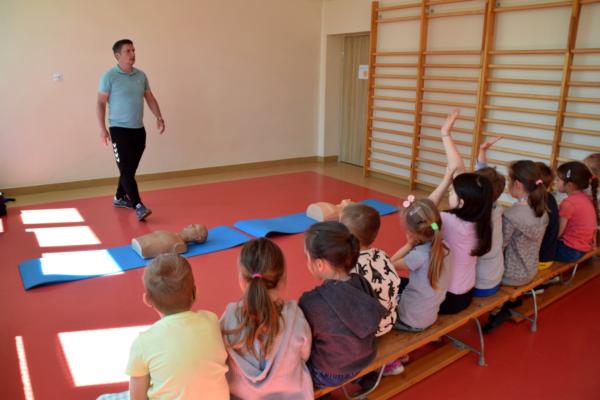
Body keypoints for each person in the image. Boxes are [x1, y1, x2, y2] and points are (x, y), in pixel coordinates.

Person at [126, 254, 229, 399]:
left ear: (147, 299)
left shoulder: (143, 343)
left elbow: (137, 397)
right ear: (195, 292)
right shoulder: (211, 320)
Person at [220, 238, 313, 399]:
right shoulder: (295, 317)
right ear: (282, 280)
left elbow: (221, 359)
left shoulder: (229, 317)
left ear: (242, 280)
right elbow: (305, 354)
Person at [299, 221, 386, 389]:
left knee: (297, 362)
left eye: (307, 257)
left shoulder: (311, 302)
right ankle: (361, 378)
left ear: (319, 264)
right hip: (365, 358)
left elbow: (305, 343)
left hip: (330, 373)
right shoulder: (362, 282)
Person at [427, 110, 494, 314]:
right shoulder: (483, 215)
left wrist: (445, 181)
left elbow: (424, 210)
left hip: (448, 299)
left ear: (462, 201)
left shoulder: (446, 220)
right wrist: (446, 134)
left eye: (451, 191)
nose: (450, 191)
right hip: (466, 294)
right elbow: (460, 173)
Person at [97, 39, 165, 221]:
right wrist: (103, 129)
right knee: (127, 170)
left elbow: (150, 98)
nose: (132, 54)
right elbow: (100, 103)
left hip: (138, 130)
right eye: (128, 51)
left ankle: (119, 197)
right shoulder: (109, 76)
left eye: (133, 50)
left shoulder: (141, 76)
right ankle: (138, 205)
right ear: (117, 55)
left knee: (128, 169)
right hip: (118, 130)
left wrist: (159, 117)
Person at [340, 203, 403, 376]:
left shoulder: (348, 267)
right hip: (389, 321)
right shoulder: (381, 254)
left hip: (371, 331)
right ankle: (392, 359)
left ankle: (385, 363)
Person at [391, 198, 450, 331]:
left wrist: (409, 244)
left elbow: (389, 265)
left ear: (412, 233)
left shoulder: (418, 255)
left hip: (410, 320)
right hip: (429, 315)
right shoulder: (446, 247)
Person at [472, 137, 506, 296]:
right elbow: (485, 181)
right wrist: (482, 151)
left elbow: (435, 228)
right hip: (494, 279)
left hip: (477, 285)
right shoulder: (496, 207)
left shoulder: (473, 218)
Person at [554, 161, 598, 262]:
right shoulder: (586, 198)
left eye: (558, 180)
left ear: (569, 185)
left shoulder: (568, 203)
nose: (555, 182)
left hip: (569, 251)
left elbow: (558, 233)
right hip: (584, 248)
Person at [131, 224, 208, 259]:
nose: (191, 225)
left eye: (194, 227)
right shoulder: (174, 234)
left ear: (197, 237)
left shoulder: (181, 246)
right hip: (139, 241)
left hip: (142, 248)